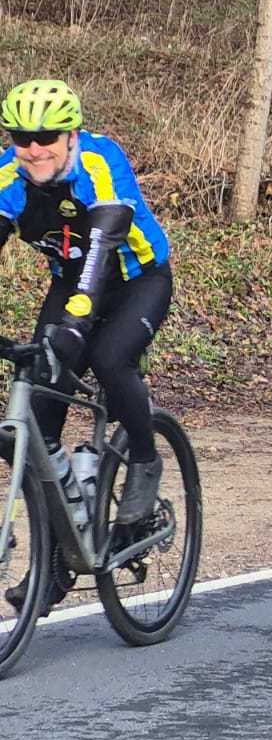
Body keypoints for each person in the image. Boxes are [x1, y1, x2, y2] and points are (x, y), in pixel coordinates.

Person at [0, 79, 175, 610]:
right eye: (22, 137)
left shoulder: (99, 162)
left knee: (108, 358)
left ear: (71, 135)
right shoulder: (9, 175)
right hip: (70, 281)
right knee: (37, 409)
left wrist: (77, 322)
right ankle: (58, 556)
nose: (34, 149)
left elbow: (101, 245)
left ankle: (144, 459)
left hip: (135, 279)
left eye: (47, 137)